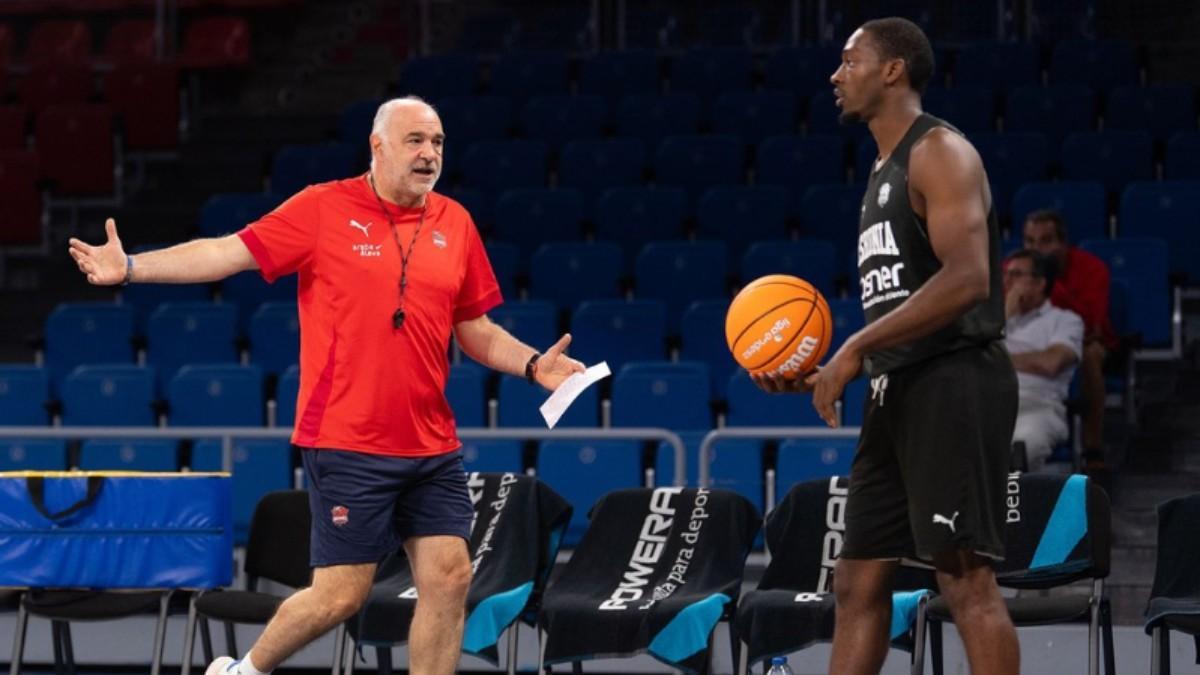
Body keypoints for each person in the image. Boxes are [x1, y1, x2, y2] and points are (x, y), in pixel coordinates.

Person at [68, 97, 585, 675]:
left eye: (437, 142)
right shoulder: (323, 207)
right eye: (415, 140)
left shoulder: (455, 223)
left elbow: (476, 330)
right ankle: (242, 670)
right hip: (347, 439)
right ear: (378, 145)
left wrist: (535, 365)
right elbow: (227, 253)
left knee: (449, 575)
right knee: (342, 594)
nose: (429, 154)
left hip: (430, 443)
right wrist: (134, 267)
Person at [752, 17, 1019, 674]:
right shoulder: (880, 172)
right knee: (858, 581)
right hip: (896, 389)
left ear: (893, 69)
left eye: (850, 61)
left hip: (955, 381)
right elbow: (907, 306)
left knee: (965, 580)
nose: (834, 74)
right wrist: (819, 367)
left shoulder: (940, 152)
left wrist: (855, 349)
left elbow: (968, 279)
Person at [1022, 208, 1116, 478]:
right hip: (1034, 338)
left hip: (1089, 340)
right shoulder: (1016, 269)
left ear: (1063, 242)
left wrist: (1049, 284)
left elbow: (1091, 324)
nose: (1037, 249)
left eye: (1046, 240)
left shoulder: (1092, 268)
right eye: (1030, 241)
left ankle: (1092, 446)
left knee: (1088, 356)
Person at [1003, 249, 1084, 471]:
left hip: (1038, 410)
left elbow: (1051, 363)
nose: (1007, 281)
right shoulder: (998, 322)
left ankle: (1016, 506)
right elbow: (972, 358)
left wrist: (995, 359)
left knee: (1017, 450)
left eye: (1017, 274)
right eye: (1006, 274)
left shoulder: (1065, 321)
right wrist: (1004, 315)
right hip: (988, 407)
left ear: (1040, 283)